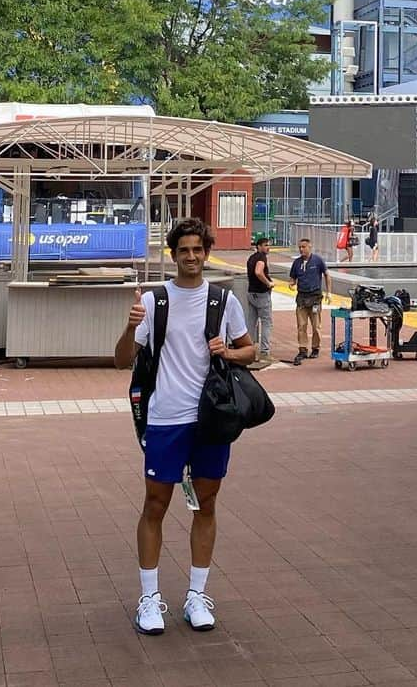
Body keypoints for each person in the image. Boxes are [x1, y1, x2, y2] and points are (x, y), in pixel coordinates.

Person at [114, 217, 254, 637]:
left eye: (198, 249)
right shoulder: (155, 302)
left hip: (210, 419)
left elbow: (251, 351)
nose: (191, 256)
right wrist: (129, 323)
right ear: (172, 255)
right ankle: (149, 599)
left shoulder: (223, 301)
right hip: (165, 417)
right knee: (155, 505)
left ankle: (196, 595)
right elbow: (121, 360)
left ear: (206, 253)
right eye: (184, 250)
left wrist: (228, 352)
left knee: (205, 505)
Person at [288, 237, 331, 362]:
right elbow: (292, 278)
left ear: (310, 247)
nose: (301, 249)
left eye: (304, 247)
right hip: (301, 298)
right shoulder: (296, 263)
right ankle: (302, 349)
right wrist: (291, 283)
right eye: (300, 247)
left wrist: (329, 293)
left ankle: (315, 347)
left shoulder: (318, 261)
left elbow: (327, 275)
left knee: (316, 325)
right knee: (301, 325)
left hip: (315, 297)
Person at [245, 235, 274, 366]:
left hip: (251, 293)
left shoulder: (251, 258)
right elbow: (258, 272)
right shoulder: (261, 258)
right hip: (262, 294)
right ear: (259, 246)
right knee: (267, 322)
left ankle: (248, 350)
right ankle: (264, 352)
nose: (268, 248)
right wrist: (268, 283)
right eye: (266, 245)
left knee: (251, 323)